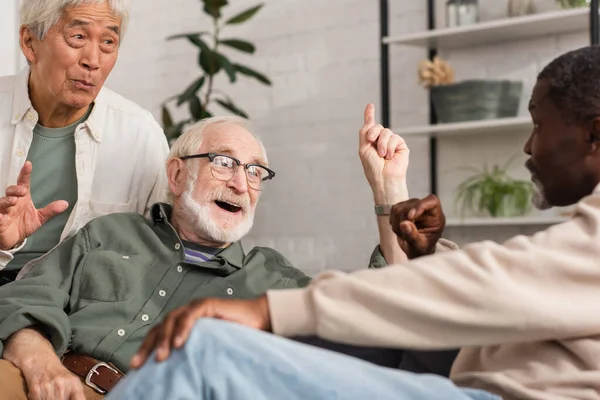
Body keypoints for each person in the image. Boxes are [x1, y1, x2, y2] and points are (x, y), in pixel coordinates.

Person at [111, 46, 600, 400]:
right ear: (177, 174)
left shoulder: (268, 273)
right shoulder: (105, 238)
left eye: (539, 125)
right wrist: (412, 230)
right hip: (464, 377)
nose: (529, 147)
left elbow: (496, 283)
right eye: (224, 163)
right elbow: (508, 292)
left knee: (206, 351)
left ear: (594, 136)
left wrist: (268, 310)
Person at [0, 116, 314, 400]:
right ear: (177, 174)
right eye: (224, 162)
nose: (241, 184)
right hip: (48, 379)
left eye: (255, 171)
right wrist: (40, 362)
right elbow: (23, 298)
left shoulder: (273, 280)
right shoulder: (110, 232)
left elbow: (356, 323)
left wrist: (368, 194)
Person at [0, 0, 169, 284]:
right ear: (30, 42)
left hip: (87, 306)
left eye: (108, 42)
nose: (93, 60)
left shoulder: (142, 136)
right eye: (78, 37)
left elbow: (162, 256)